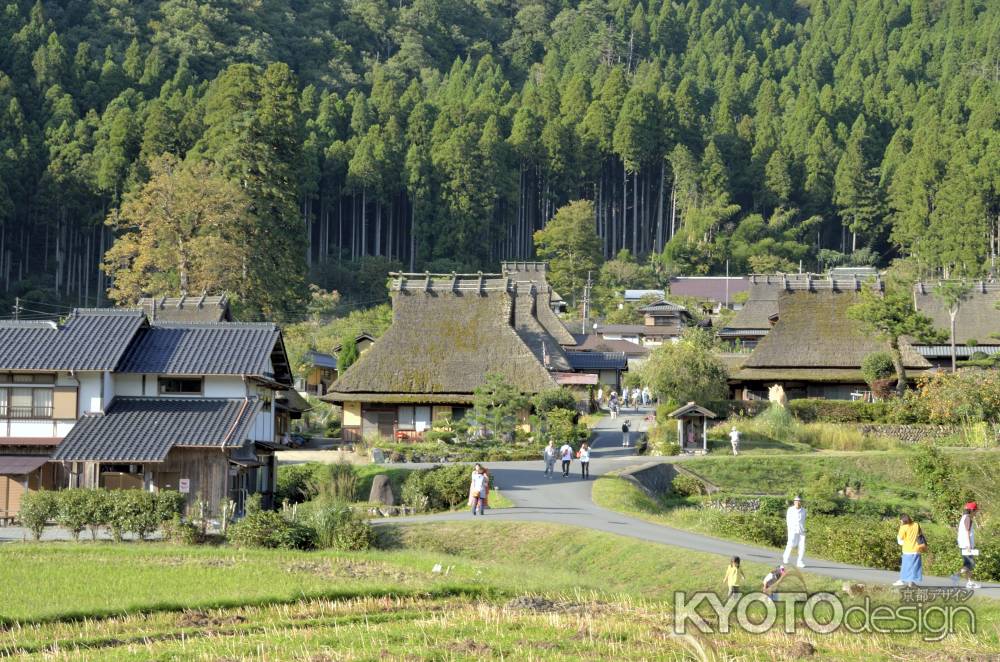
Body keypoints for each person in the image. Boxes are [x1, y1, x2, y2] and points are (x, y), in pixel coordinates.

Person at [953, 502, 980, 589]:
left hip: (963, 544)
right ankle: (955, 576)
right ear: (972, 510)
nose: (976, 512)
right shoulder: (968, 518)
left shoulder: (964, 518)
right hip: (966, 545)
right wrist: (969, 545)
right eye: (976, 511)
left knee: (968, 564)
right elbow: (967, 532)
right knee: (969, 564)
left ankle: (969, 582)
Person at [895, 513, 924, 587]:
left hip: (908, 550)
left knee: (906, 566)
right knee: (914, 567)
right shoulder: (916, 524)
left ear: (902, 520)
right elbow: (920, 534)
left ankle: (902, 580)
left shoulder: (903, 527)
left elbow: (900, 541)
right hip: (917, 549)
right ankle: (911, 583)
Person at [783, 495, 806, 568]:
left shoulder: (804, 510)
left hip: (801, 530)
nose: (797, 503)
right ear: (794, 502)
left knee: (802, 546)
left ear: (801, 502)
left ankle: (800, 561)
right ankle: (785, 557)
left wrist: (803, 528)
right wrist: (789, 529)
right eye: (796, 501)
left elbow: (803, 520)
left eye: (799, 501)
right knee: (791, 544)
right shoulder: (790, 509)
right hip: (792, 529)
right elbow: (788, 520)